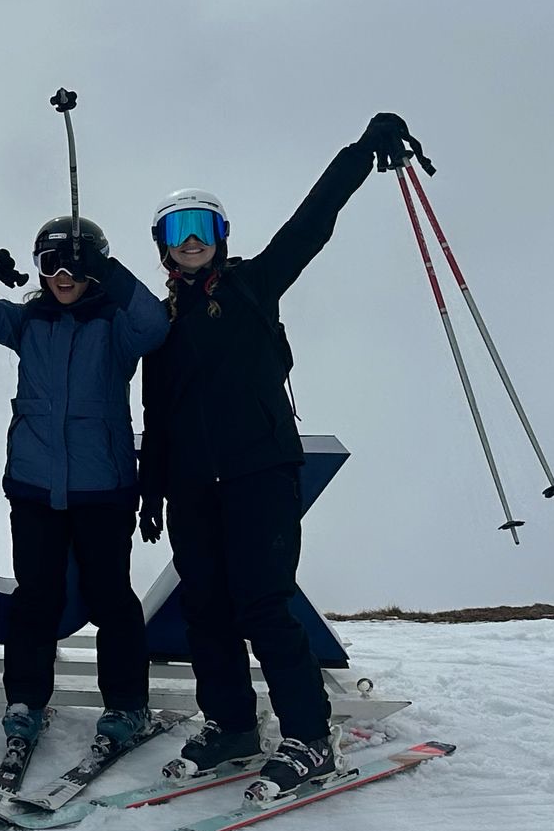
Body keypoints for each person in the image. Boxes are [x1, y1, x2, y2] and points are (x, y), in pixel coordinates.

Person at [139, 112, 417, 795]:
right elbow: (155, 412)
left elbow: (312, 221)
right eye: (179, 232)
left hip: (260, 472)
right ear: (164, 248)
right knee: (205, 606)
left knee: (263, 604)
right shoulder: (159, 322)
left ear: (223, 237)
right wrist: (152, 488)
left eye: (204, 227)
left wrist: (359, 153)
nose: (194, 241)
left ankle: (310, 738)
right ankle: (232, 725)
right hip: (192, 486)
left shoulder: (254, 286)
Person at [0, 214, 170, 759]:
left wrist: (110, 273)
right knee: (36, 599)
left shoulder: (115, 325)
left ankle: (126, 703)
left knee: (111, 599)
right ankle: (25, 701)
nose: (63, 275)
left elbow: (154, 324)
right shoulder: (28, 322)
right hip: (34, 486)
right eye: (51, 264)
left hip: (103, 488)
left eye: (76, 263)